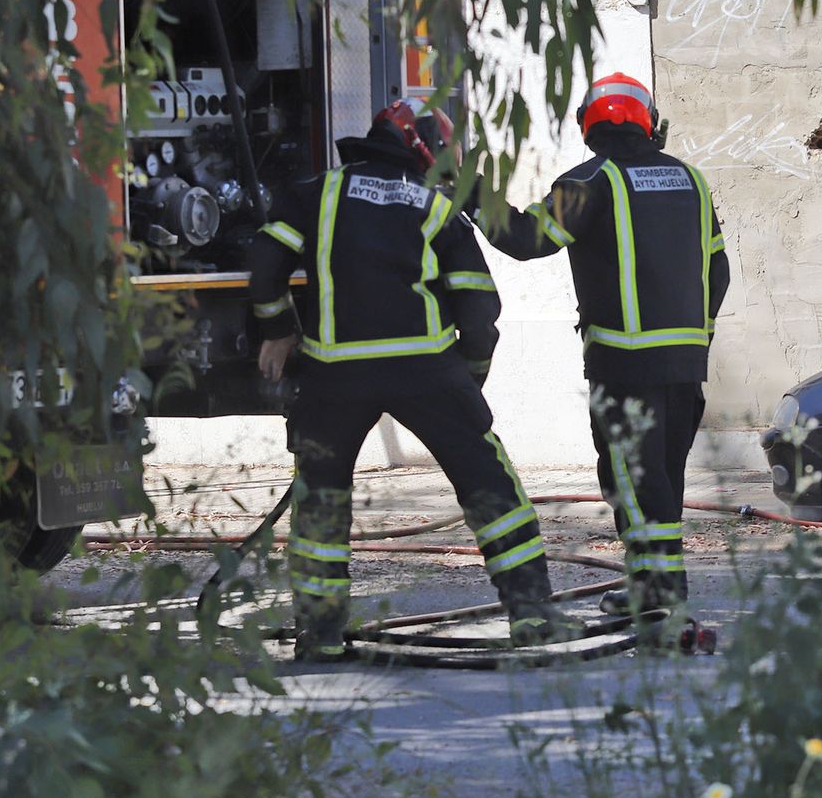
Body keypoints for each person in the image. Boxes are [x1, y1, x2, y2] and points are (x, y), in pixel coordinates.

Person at [249, 99, 582, 660]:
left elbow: (265, 265)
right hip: (428, 372)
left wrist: (279, 329)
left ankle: (322, 635)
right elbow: (478, 308)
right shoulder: (437, 204)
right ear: (425, 151)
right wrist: (468, 382)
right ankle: (533, 617)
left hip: (333, 373)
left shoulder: (316, 192)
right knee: (490, 486)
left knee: (322, 499)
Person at [472, 73, 730, 617]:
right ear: (647, 120)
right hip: (686, 362)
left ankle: (659, 601)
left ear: (588, 125)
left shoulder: (589, 182)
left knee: (633, 482)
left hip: (623, 363)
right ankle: (656, 588)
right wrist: (696, 333)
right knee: (664, 479)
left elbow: (524, 240)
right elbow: (719, 269)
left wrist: (470, 193)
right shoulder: (691, 179)